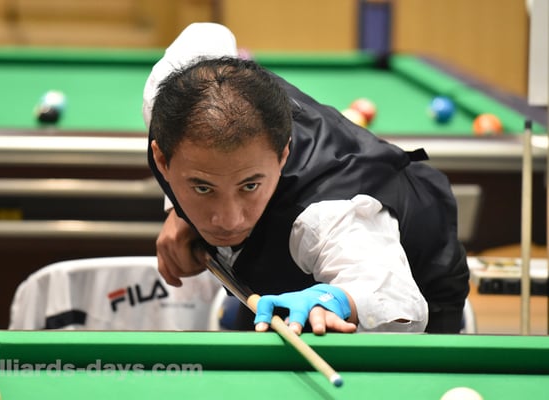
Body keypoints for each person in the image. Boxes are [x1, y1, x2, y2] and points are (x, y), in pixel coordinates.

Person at [142, 23, 470, 334]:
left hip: (416, 275)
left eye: (250, 186)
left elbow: (398, 300)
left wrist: (334, 299)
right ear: (163, 160)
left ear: (283, 154)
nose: (228, 221)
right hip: (281, 266)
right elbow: (207, 33)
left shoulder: (328, 214)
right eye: (202, 187)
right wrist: (178, 211)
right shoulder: (174, 95)